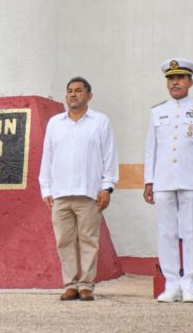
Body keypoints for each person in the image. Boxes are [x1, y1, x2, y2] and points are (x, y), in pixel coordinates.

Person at [144, 58, 193, 303]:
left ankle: (190, 285)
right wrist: (149, 181)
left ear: (190, 82)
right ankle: (172, 284)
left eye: (179, 78)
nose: (174, 82)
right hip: (163, 180)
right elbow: (150, 150)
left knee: (192, 233)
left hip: (192, 179)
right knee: (166, 233)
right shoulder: (157, 112)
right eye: (170, 79)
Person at [39, 77, 118, 301]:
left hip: (89, 193)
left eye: (78, 91)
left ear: (89, 96)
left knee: (88, 240)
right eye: (70, 91)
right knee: (64, 241)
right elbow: (48, 157)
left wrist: (107, 188)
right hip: (61, 194)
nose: (73, 94)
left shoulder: (100, 122)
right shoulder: (55, 123)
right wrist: (46, 189)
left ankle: (86, 285)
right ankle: (70, 284)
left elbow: (109, 157)